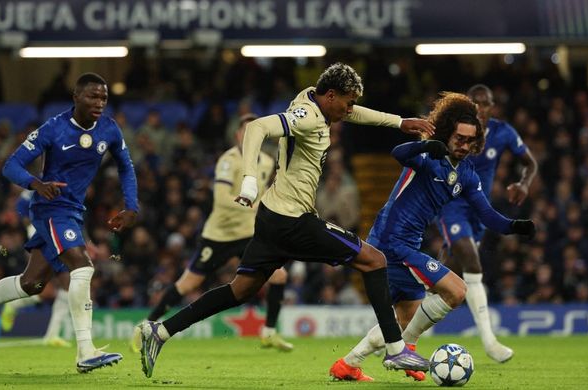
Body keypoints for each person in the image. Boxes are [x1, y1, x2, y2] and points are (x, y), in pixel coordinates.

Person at [135, 62, 436, 378]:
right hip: (293, 221)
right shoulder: (307, 116)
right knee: (374, 260)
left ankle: (162, 331)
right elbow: (256, 128)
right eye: (348, 102)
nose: (350, 109)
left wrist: (399, 122)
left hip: (271, 216)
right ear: (330, 95)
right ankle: (395, 349)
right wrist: (250, 179)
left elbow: (354, 113)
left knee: (240, 290)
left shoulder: (311, 99)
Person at [0, 72, 139, 373]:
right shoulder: (54, 129)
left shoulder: (109, 130)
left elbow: (126, 167)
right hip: (50, 208)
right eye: (92, 96)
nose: (99, 103)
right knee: (83, 267)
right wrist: (35, 183)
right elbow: (11, 165)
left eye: (103, 98)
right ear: (76, 97)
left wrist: (131, 206)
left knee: (31, 283)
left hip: (72, 210)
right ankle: (85, 351)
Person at [329, 92, 535, 382]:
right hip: (392, 241)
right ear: (448, 133)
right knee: (457, 290)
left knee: (406, 319)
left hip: (410, 243)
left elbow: (486, 215)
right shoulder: (428, 157)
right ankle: (405, 350)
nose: (464, 146)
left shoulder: (467, 174)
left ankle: (349, 364)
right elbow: (398, 154)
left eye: (470, 141)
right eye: (459, 138)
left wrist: (515, 226)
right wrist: (426, 144)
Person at [134, 113, 293, 352]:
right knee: (188, 283)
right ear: (238, 135)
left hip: (248, 233)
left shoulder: (268, 162)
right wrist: (254, 205)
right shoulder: (228, 161)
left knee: (279, 276)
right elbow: (220, 199)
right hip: (219, 235)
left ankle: (268, 332)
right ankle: (145, 326)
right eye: (245, 132)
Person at [437, 84, 538, 363]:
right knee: (472, 264)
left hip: (480, 211)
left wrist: (523, 183)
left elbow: (530, 163)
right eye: (475, 103)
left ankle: (401, 331)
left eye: (486, 103)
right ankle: (490, 342)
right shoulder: (453, 131)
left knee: (446, 279)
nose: (481, 108)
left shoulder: (503, 132)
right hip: (452, 207)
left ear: (492, 106)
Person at [0, 189, 71, 348]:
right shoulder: (36, 186)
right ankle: (13, 305)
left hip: (58, 236)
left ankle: (52, 334)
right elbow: (23, 211)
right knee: (42, 287)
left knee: (60, 286)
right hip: (43, 237)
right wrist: (36, 235)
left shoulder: (63, 182)